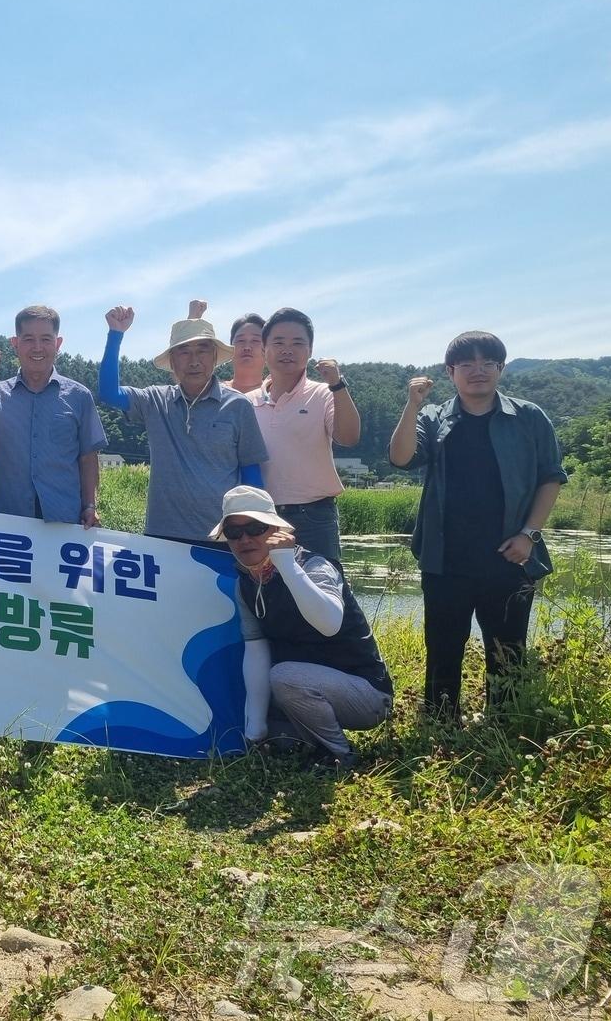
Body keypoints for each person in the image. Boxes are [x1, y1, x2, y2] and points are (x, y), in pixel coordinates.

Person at [388, 331, 566, 717]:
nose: (477, 371)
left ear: (501, 368)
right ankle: (441, 725)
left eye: (487, 363)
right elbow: (401, 458)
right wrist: (412, 406)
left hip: (510, 556)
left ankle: (505, 726)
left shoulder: (529, 417)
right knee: (443, 648)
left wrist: (529, 534)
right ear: (451, 372)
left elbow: (550, 478)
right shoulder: (434, 417)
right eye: (466, 364)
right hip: (445, 557)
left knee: (508, 651)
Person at [212, 485, 393, 771]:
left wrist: (286, 565)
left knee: (284, 677)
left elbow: (329, 624)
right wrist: (255, 729)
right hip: (306, 688)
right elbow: (256, 651)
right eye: (234, 533)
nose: (244, 539)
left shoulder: (314, 565)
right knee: (275, 735)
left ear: (275, 529)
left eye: (255, 528)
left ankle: (337, 755)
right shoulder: (246, 583)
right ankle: (305, 741)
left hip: (366, 694)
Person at [99, 300, 268, 543]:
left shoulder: (238, 406)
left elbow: (252, 474)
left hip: (222, 537)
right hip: (162, 537)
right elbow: (108, 392)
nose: (194, 360)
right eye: (184, 352)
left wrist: (255, 532)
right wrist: (116, 334)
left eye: (202, 350)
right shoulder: (156, 401)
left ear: (214, 357)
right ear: (173, 361)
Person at [0, 305, 106, 527]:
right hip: (7, 522)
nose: (37, 348)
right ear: (15, 344)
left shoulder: (79, 396)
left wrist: (90, 506)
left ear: (58, 343)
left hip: (64, 521)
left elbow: (87, 458)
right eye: (28, 339)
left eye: (46, 339)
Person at [246, 308, 361, 560]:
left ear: (309, 351)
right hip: (259, 518)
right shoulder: (246, 403)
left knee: (322, 592)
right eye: (278, 342)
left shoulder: (324, 394)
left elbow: (349, 437)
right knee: (263, 594)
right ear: (264, 350)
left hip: (314, 516)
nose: (288, 350)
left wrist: (338, 385)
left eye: (297, 343)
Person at [228, 313, 266, 394]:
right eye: (241, 340)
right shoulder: (213, 393)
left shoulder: (276, 396)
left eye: (255, 341)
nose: (247, 347)